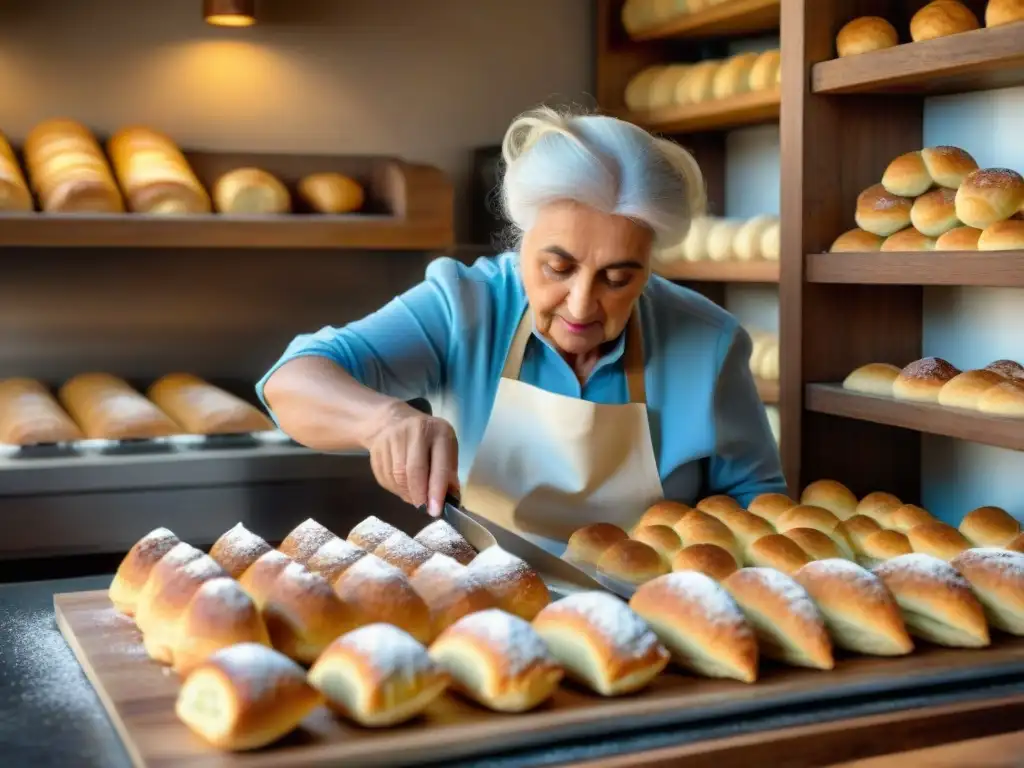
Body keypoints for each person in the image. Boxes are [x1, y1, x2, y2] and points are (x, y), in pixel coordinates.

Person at [258, 106, 786, 552]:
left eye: (618, 278)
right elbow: (290, 380)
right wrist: (381, 420)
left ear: (649, 268)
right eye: (558, 268)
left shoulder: (709, 340)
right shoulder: (464, 305)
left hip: (652, 622)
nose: (581, 304)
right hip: (485, 609)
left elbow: (757, 508)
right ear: (521, 239)